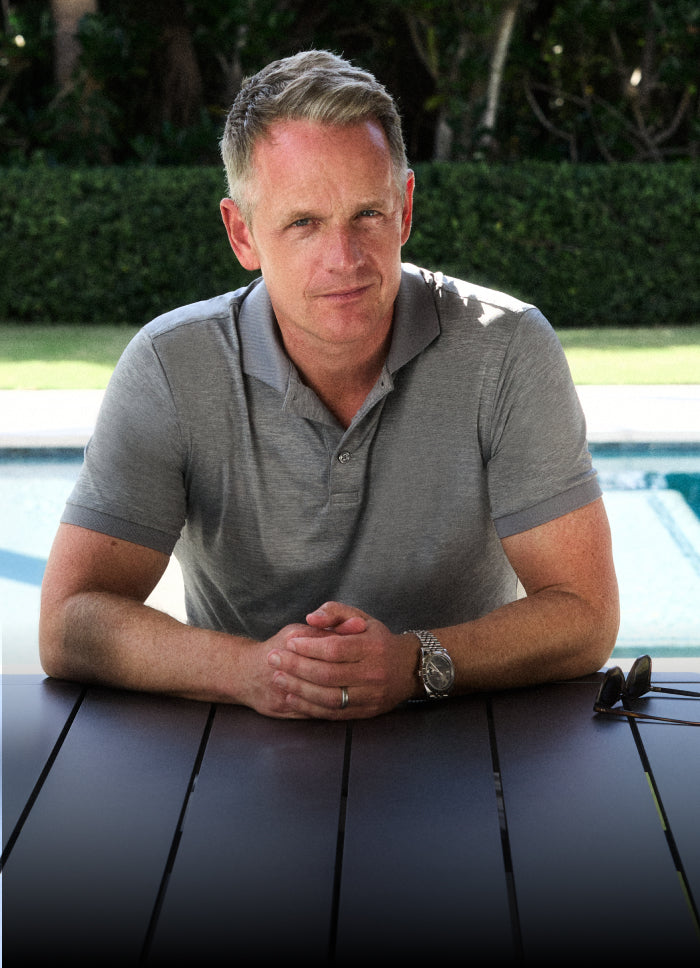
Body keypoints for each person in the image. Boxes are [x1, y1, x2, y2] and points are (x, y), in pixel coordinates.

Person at [39, 50, 619, 720]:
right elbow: (69, 622)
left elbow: (585, 613)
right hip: (233, 740)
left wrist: (413, 663)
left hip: (467, 734)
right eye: (304, 223)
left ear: (405, 210)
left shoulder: (507, 347)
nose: (344, 260)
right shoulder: (171, 366)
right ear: (242, 234)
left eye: (366, 214)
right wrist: (252, 672)